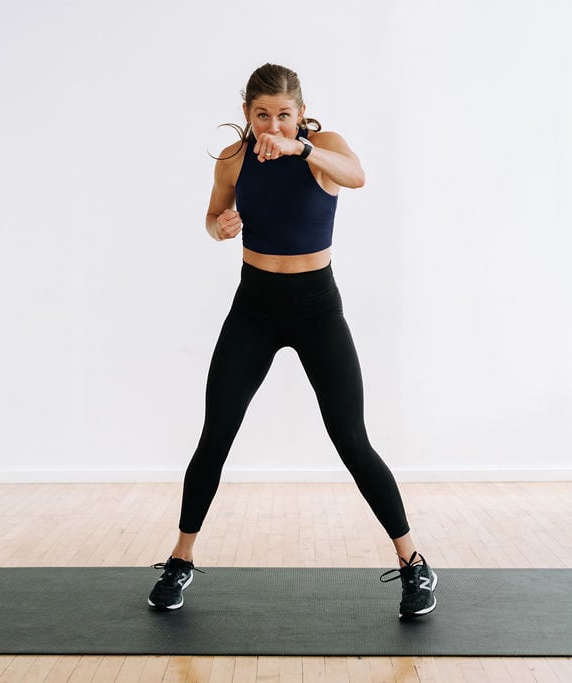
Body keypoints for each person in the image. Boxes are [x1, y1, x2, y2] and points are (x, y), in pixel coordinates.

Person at [147, 63, 438, 620]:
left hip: (315, 308)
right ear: (247, 115)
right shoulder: (234, 159)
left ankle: (413, 563)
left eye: (284, 114)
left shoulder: (322, 146)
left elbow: (356, 176)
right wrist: (220, 226)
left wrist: (300, 149)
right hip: (253, 306)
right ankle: (180, 559)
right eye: (263, 115)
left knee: (351, 438)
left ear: (300, 113)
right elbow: (212, 216)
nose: (273, 124)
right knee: (217, 432)